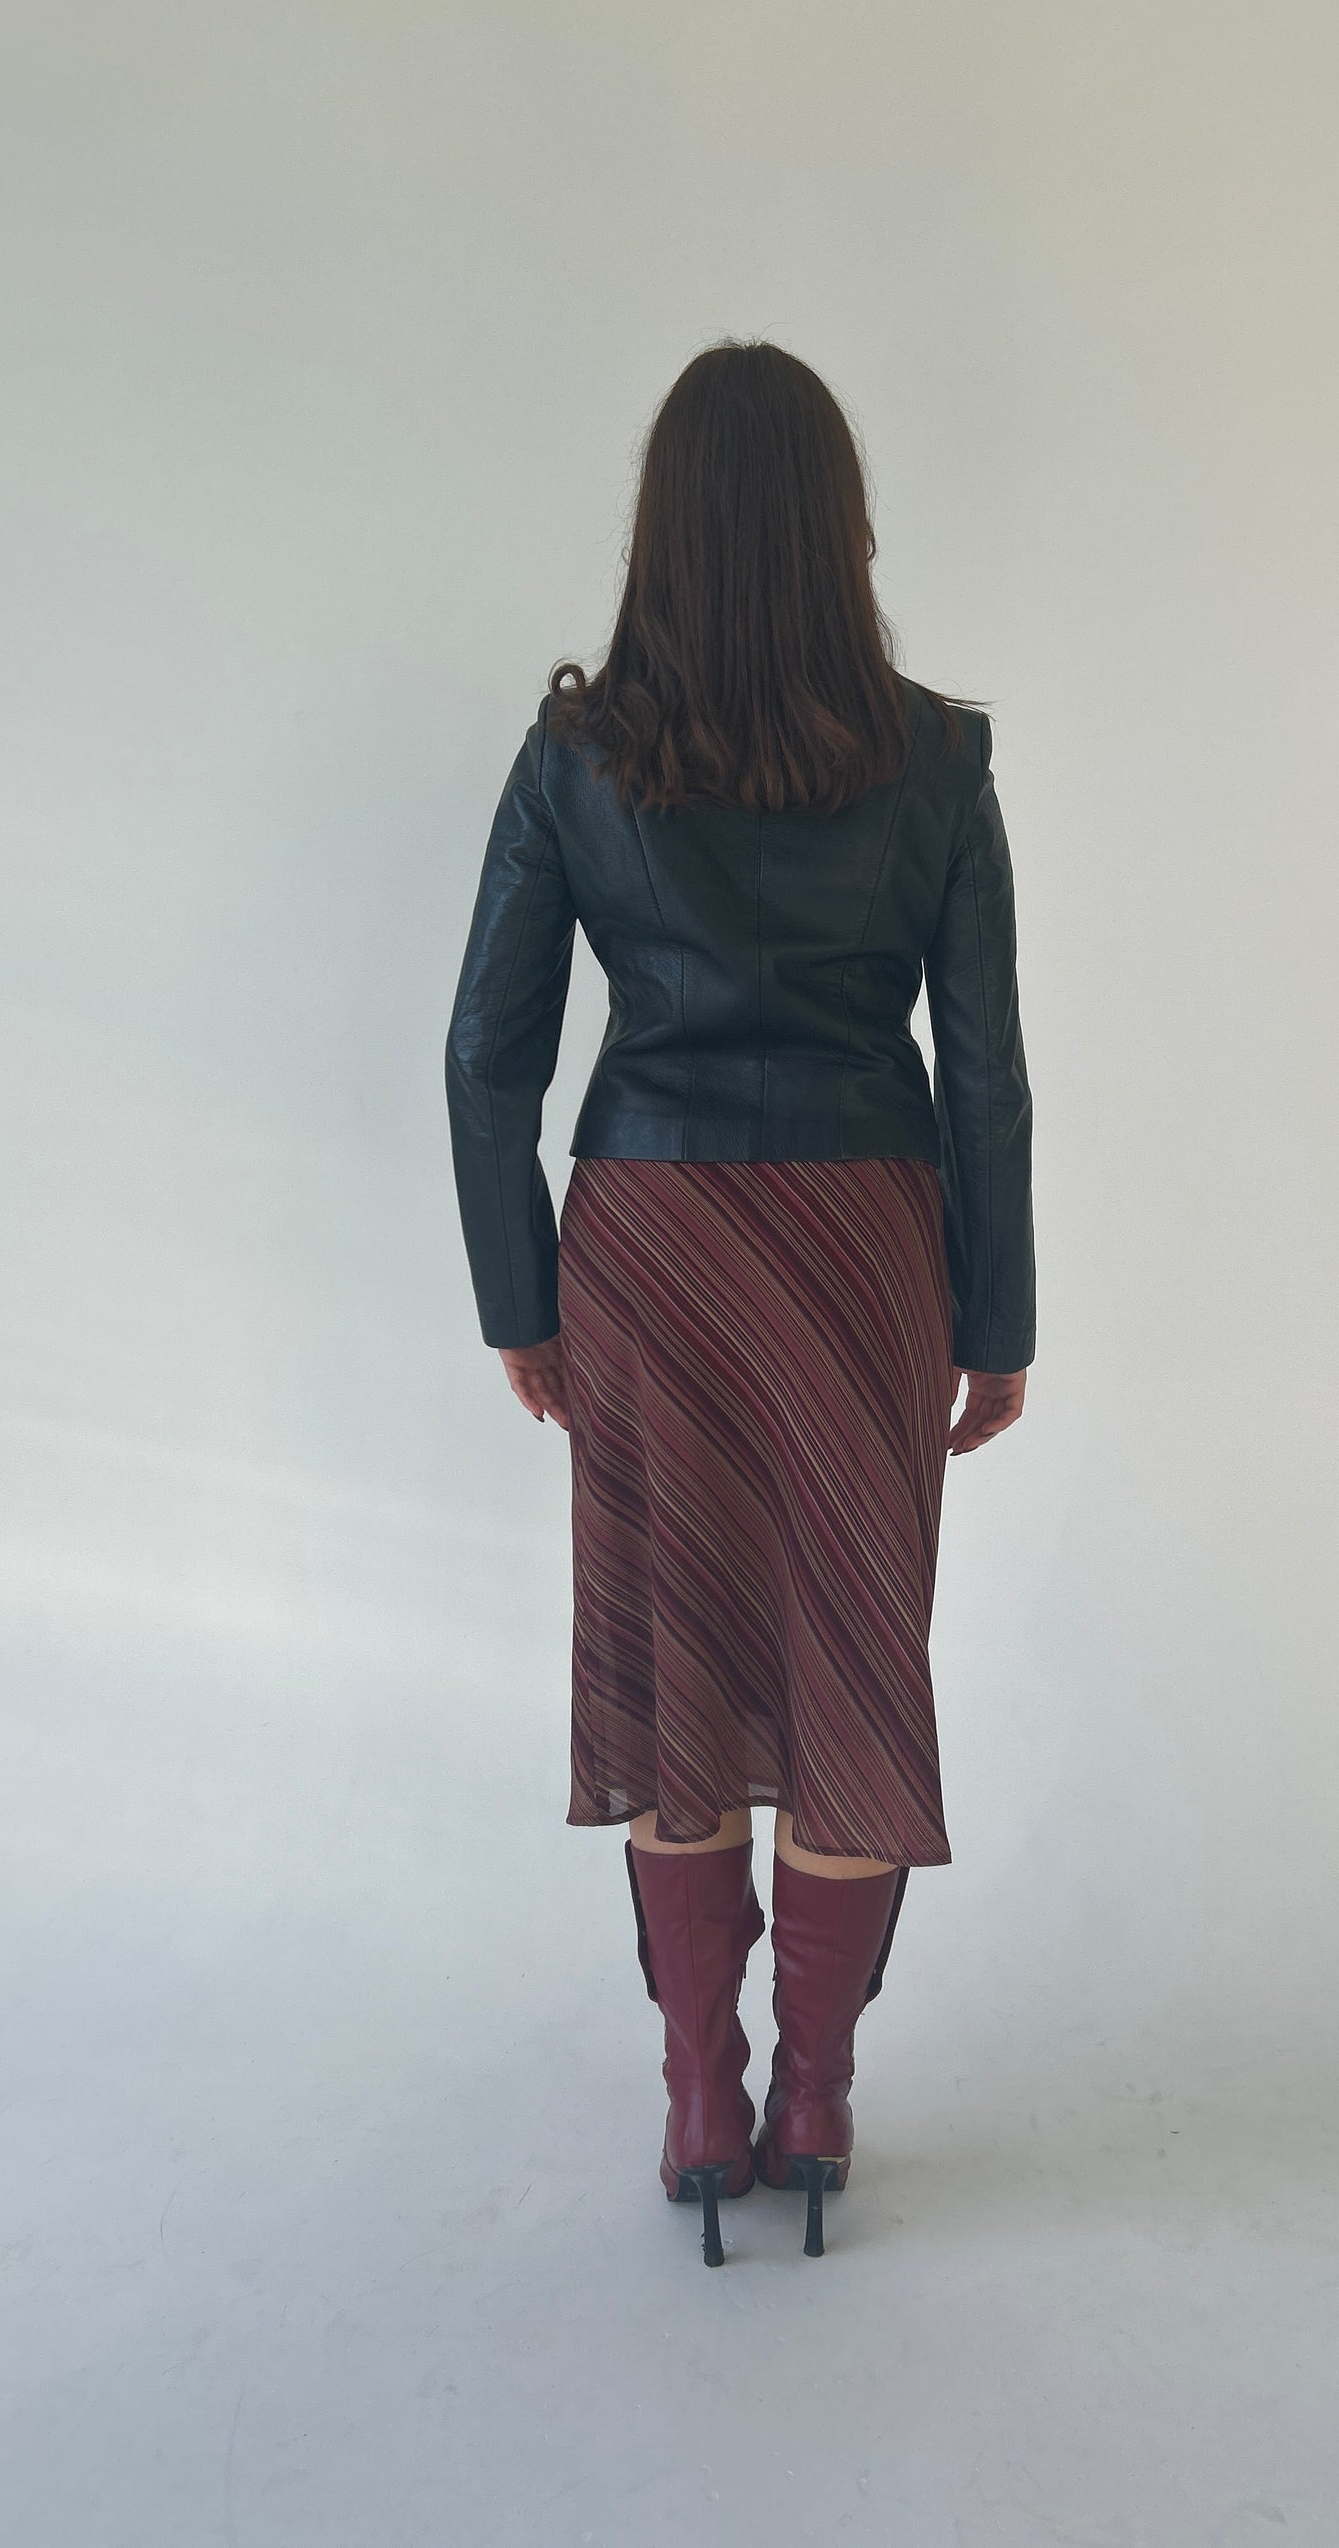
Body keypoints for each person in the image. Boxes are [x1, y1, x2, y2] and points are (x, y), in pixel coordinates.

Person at [444, 339, 1035, 2266]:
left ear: (664, 533)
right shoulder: (933, 758)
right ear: (839, 527)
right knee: (853, 1669)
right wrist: (997, 1317)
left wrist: (520, 1297)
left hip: (650, 1248)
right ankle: (817, 2096)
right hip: (865, 1248)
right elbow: (985, 1073)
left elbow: (486, 1058)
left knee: (672, 1670)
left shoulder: (578, 759)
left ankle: (701, 2098)